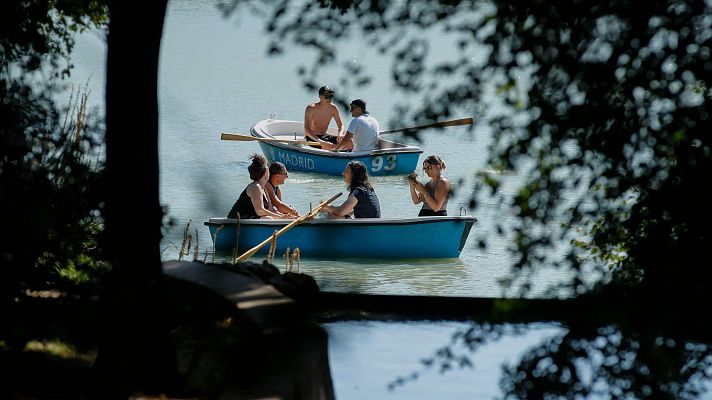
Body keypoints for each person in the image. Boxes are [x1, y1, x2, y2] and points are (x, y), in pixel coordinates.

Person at [227, 154, 295, 219]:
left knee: (270, 217)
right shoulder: (255, 187)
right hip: (236, 221)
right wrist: (281, 218)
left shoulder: (264, 188)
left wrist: (286, 217)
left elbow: (271, 210)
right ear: (266, 172)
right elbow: (260, 211)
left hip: (250, 220)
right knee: (267, 218)